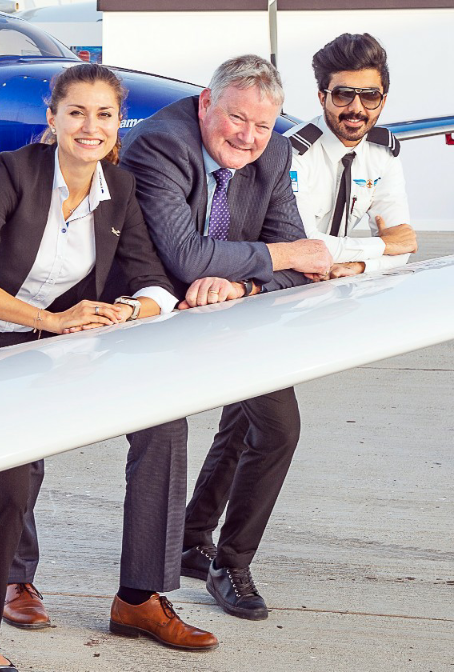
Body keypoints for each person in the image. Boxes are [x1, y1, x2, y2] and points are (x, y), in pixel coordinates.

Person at [0, 64, 219, 672]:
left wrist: (125, 310)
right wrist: (54, 320)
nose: (90, 126)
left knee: (11, 489)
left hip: (28, 355)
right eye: (77, 112)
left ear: (118, 124)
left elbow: (154, 282)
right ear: (53, 119)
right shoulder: (14, 171)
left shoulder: (120, 189)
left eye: (104, 115)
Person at [119, 55, 333, 622]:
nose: (248, 136)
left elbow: (302, 268)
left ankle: (222, 557)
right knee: (175, 431)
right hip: (158, 310)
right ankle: (175, 556)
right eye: (237, 118)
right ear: (206, 103)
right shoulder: (161, 144)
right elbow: (187, 257)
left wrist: (242, 285)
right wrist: (279, 256)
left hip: (230, 305)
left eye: (262, 124)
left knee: (273, 426)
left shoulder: (275, 152)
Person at [287, 33, 417, 279]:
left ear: (383, 101)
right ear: (322, 97)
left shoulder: (383, 154)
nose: (356, 108)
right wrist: (384, 245)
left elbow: (404, 245)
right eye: (343, 94)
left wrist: (359, 266)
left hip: (335, 280)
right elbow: (303, 246)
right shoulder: (292, 153)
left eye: (370, 96)